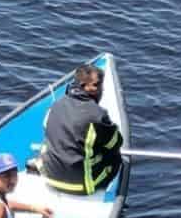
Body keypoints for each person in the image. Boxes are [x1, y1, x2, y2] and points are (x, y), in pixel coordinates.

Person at [37, 63, 123, 195]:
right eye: (97, 85)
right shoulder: (97, 115)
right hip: (80, 186)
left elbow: (46, 127)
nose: (101, 90)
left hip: (49, 178)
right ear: (83, 86)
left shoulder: (56, 105)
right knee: (116, 157)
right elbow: (116, 143)